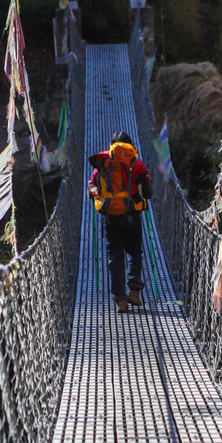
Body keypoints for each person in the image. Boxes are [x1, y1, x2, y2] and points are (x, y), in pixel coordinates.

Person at [88, 132, 154, 314]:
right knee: (134, 251)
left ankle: (120, 300)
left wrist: (94, 193)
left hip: (110, 215)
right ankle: (134, 291)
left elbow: (91, 189)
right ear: (130, 145)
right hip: (132, 213)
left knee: (115, 254)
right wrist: (145, 182)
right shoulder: (138, 164)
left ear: (112, 145)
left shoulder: (102, 162)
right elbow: (148, 194)